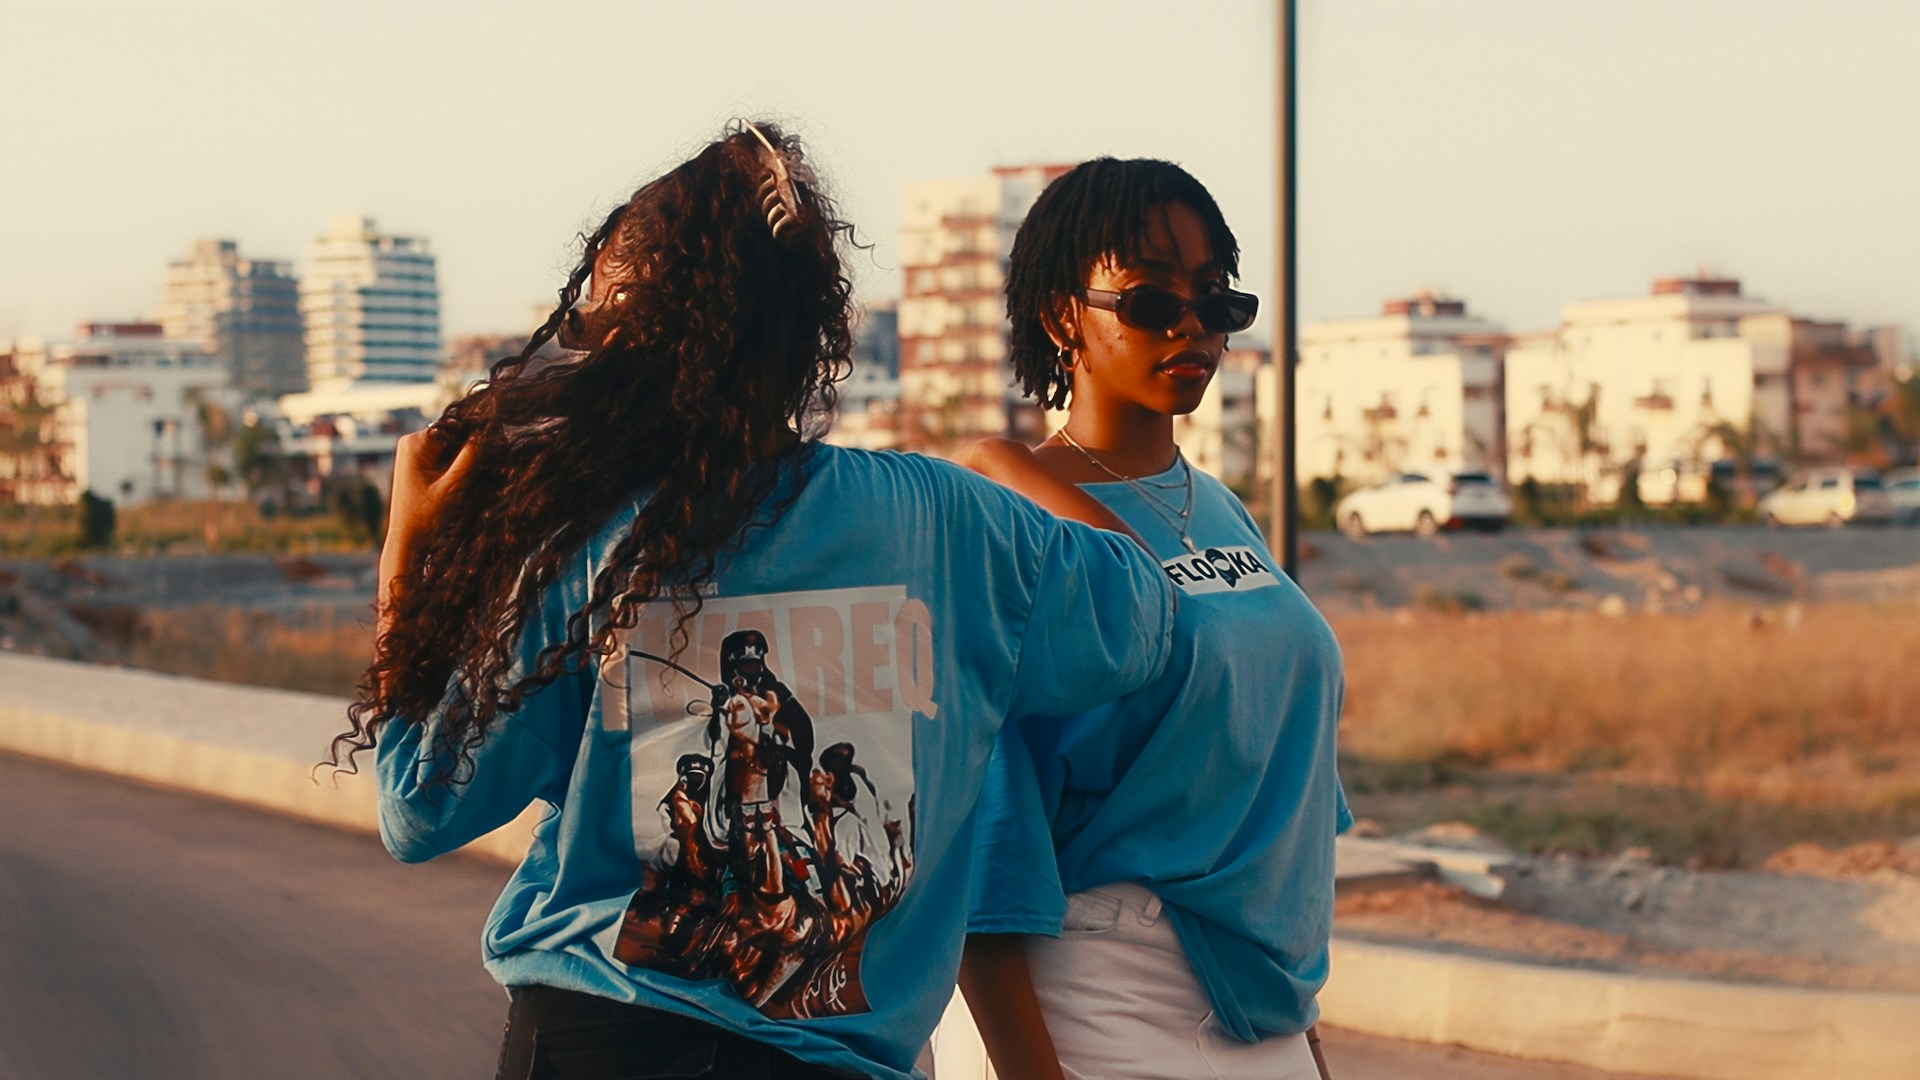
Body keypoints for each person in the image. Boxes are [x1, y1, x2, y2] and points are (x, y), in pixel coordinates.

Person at [327, 123, 1177, 1080]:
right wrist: (1015, 475)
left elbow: (417, 810)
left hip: (598, 1037)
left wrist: (412, 556)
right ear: (810, 323)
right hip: (829, 1054)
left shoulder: (598, 544)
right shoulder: (952, 522)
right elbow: (1145, 621)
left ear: (628, 351)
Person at [956, 158, 1350, 1080]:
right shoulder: (1012, 518)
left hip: (1261, 1003)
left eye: (1215, 298)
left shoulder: (1219, 508)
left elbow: (1274, 821)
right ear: (1065, 315)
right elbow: (986, 822)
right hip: (1101, 992)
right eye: (1148, 299)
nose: (1191, 326)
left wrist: (1309, 1043)